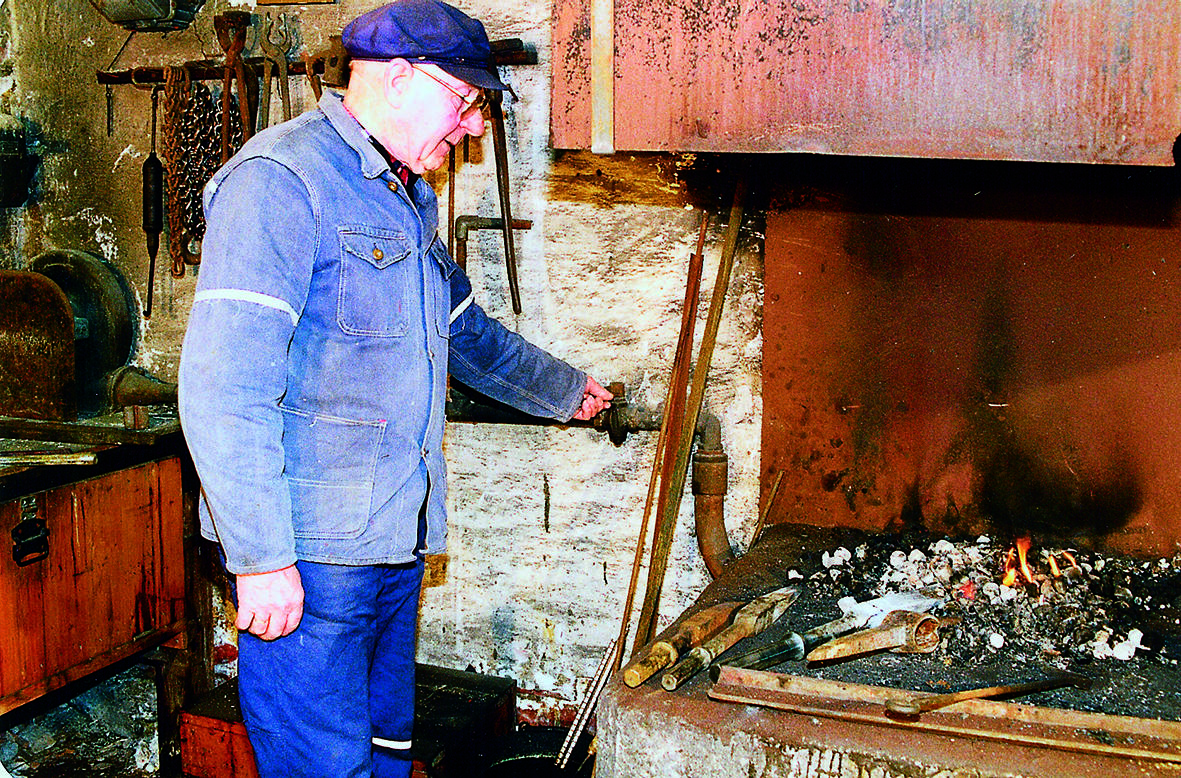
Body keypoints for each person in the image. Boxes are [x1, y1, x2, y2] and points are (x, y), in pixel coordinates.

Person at [177, 2, 612, 776]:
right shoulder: (280, 181)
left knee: (384, 750)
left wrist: (563, 389)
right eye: (467, 100)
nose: (475, 126)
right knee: (320, 765)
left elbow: (464, 333)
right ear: (401, 77)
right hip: (307, 556)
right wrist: (260, 559)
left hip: (390, 539)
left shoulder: (401, 196)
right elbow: (221, 387)